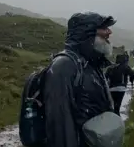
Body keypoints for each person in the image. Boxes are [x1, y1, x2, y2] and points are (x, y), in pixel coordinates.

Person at [43, 12, 117, 147]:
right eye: (103, 27)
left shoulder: (92, 64)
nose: (109, 32)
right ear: (85, 33)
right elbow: (60, 126)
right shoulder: (64, 66)